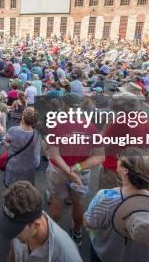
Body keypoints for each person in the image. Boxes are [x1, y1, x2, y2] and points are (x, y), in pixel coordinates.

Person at [84, 149, 149, 262]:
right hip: (141, 257)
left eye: (120, 159)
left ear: (124, 170)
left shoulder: (106, 196)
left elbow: (89, 222)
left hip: (107, 255)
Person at [48, 93, 105, 244]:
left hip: (59, 170)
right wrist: (75, 169)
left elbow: (54, 154)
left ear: (64, 106)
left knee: (56, 201)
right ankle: (77, 232)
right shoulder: (91, 126)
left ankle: (53, 234)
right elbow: (99, 156)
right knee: (78, 203)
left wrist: (69, 171)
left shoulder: (57, 124)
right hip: (81, 171)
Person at [0, 180, 82, 262]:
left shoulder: (67, 255)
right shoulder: (19, 224)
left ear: (36, 225)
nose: (13, 235)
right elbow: (13, 253)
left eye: (16, 230)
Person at [4, 107, 40, 187]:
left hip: (13, 167)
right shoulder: (36, 134)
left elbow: (7, 145)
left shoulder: (12, 130)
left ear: (23, 118)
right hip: (29, 169)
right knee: (26, 192)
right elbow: (37, 158)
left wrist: (7, 144)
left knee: (12, 190)